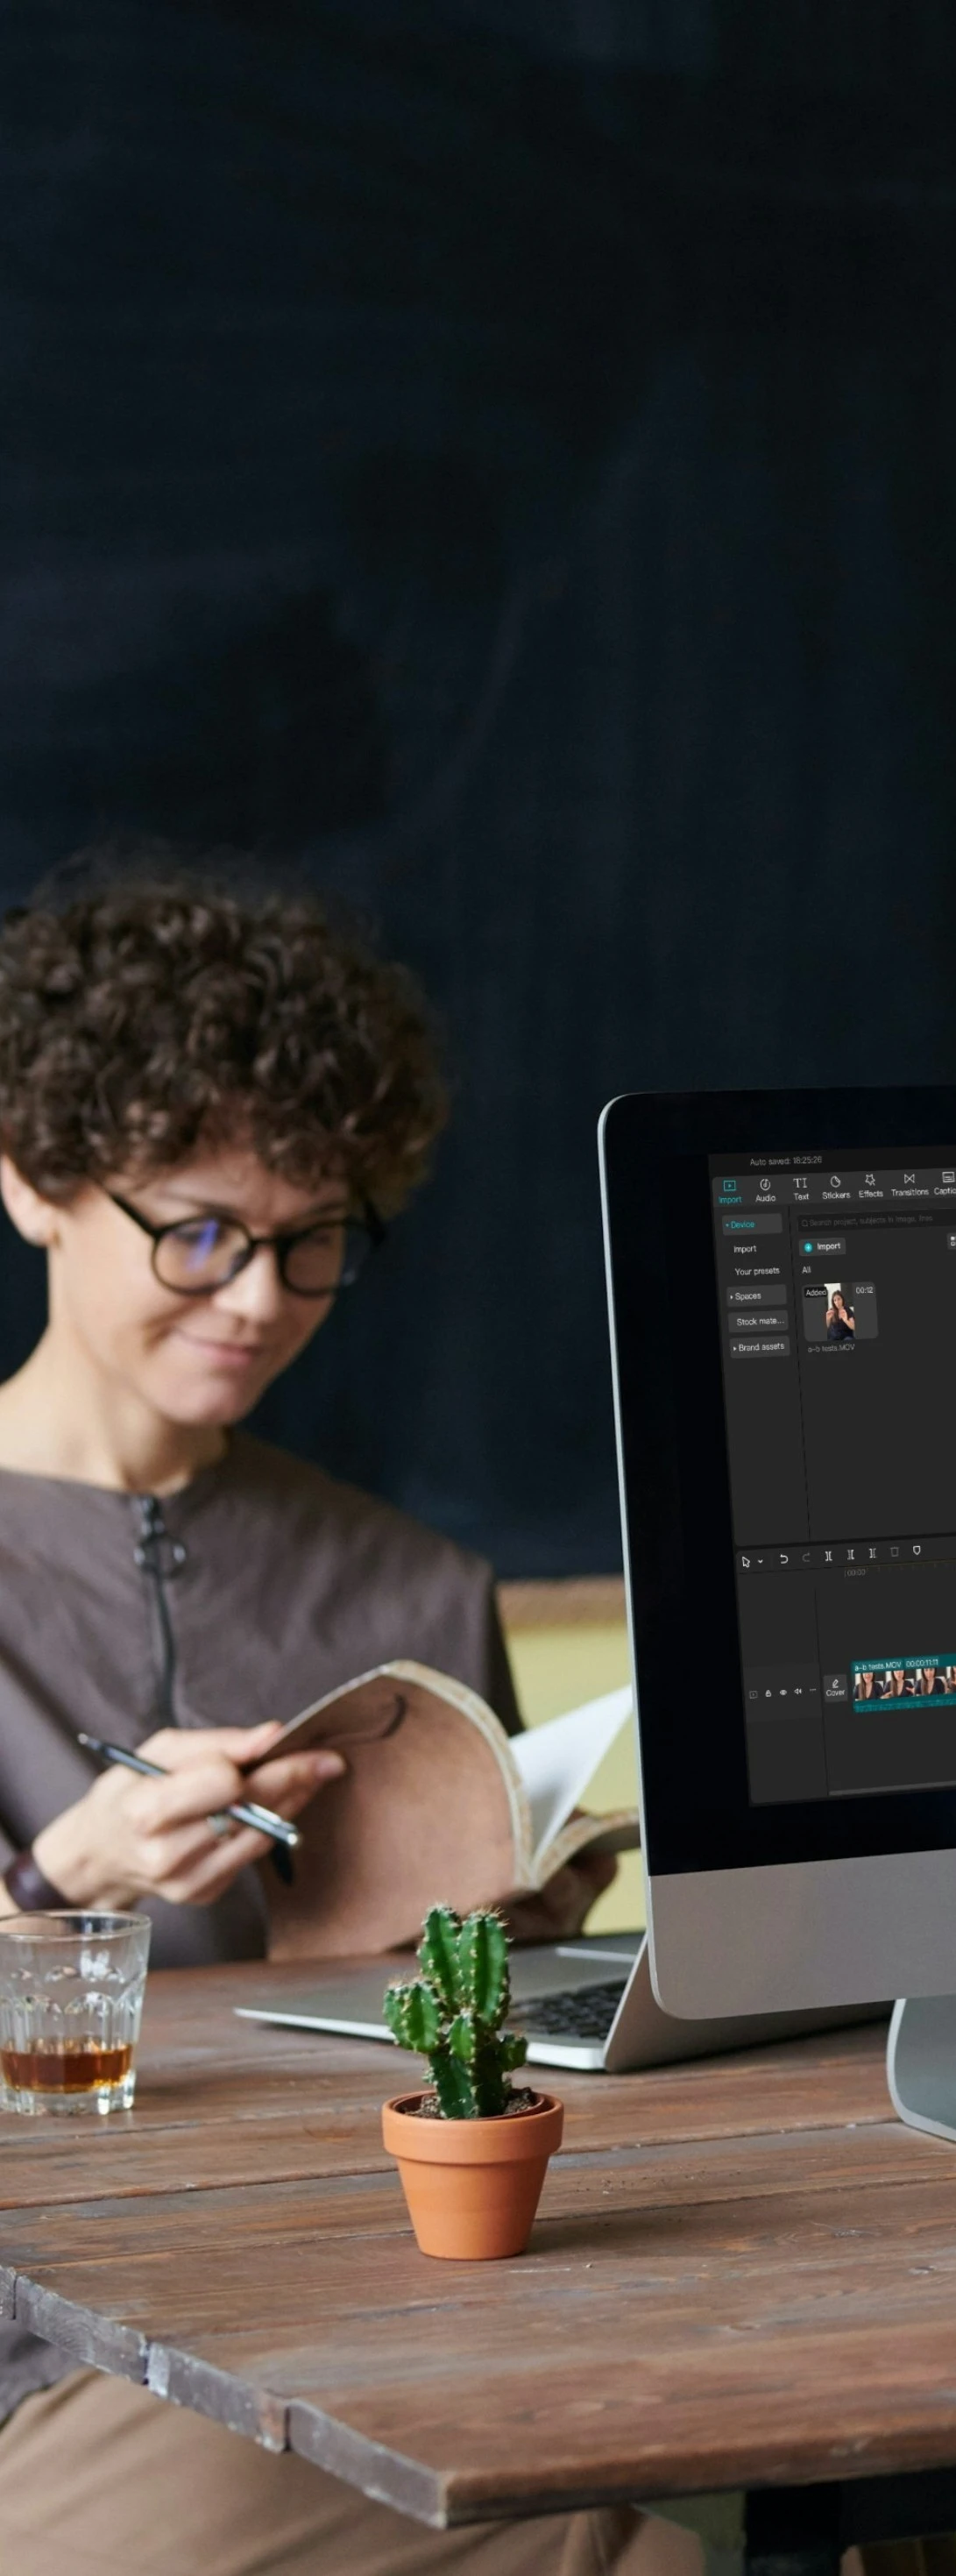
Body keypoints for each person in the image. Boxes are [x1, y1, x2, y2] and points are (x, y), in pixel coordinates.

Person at [0, 855, 683, 2574]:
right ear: (35, 1181)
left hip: (386, 2291)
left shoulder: (408, 1588)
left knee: (757, 2442)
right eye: (200, 1230)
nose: (256, 1298)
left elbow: (470, 2050)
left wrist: (517, 1927)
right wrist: (59, 1888)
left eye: (313, 1242)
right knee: (657, 2507)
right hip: (56, 2357)